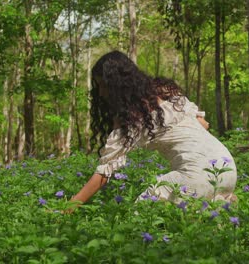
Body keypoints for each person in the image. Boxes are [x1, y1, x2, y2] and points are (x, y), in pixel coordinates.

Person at [68, 51, 237, 209]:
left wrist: (68, 207)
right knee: (198, 220)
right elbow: (203, 123)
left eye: (103, 86)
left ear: (116, 85)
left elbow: (103, 174)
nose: (101, 93)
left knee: (142, 216)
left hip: (198, 174)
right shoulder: (166, 90)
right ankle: (219, 200)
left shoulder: (131, 117)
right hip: (227, 167)